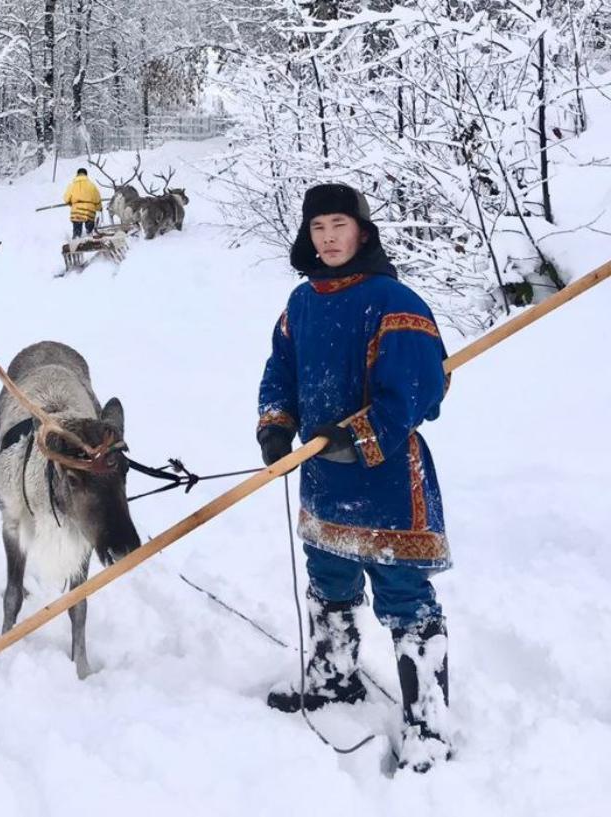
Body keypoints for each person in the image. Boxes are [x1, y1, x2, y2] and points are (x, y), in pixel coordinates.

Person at [256, 182, 453, 773]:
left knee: (405, 599)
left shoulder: (396, 301)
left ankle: (429, 726)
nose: (329, 238)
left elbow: (420, 392)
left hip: (389, 482)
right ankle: (333, 681)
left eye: (339, 225)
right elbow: (280, 370)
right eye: (318, 228)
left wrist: (357, 438)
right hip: (324, 482)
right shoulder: (301, 302)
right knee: (329, 580)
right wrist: (275, 423)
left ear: (361, 231)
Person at [63, 168, 102, 239]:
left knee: (77, 231)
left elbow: (66, 199)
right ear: (86, 175)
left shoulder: (72, 185)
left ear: (77, 174)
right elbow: (97, 199)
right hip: (89, 212)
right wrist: (99, 208)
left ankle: (76, 242)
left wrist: (71, 204)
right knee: (90, 231)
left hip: (76, 212)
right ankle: (90, 239)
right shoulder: (91, 185)